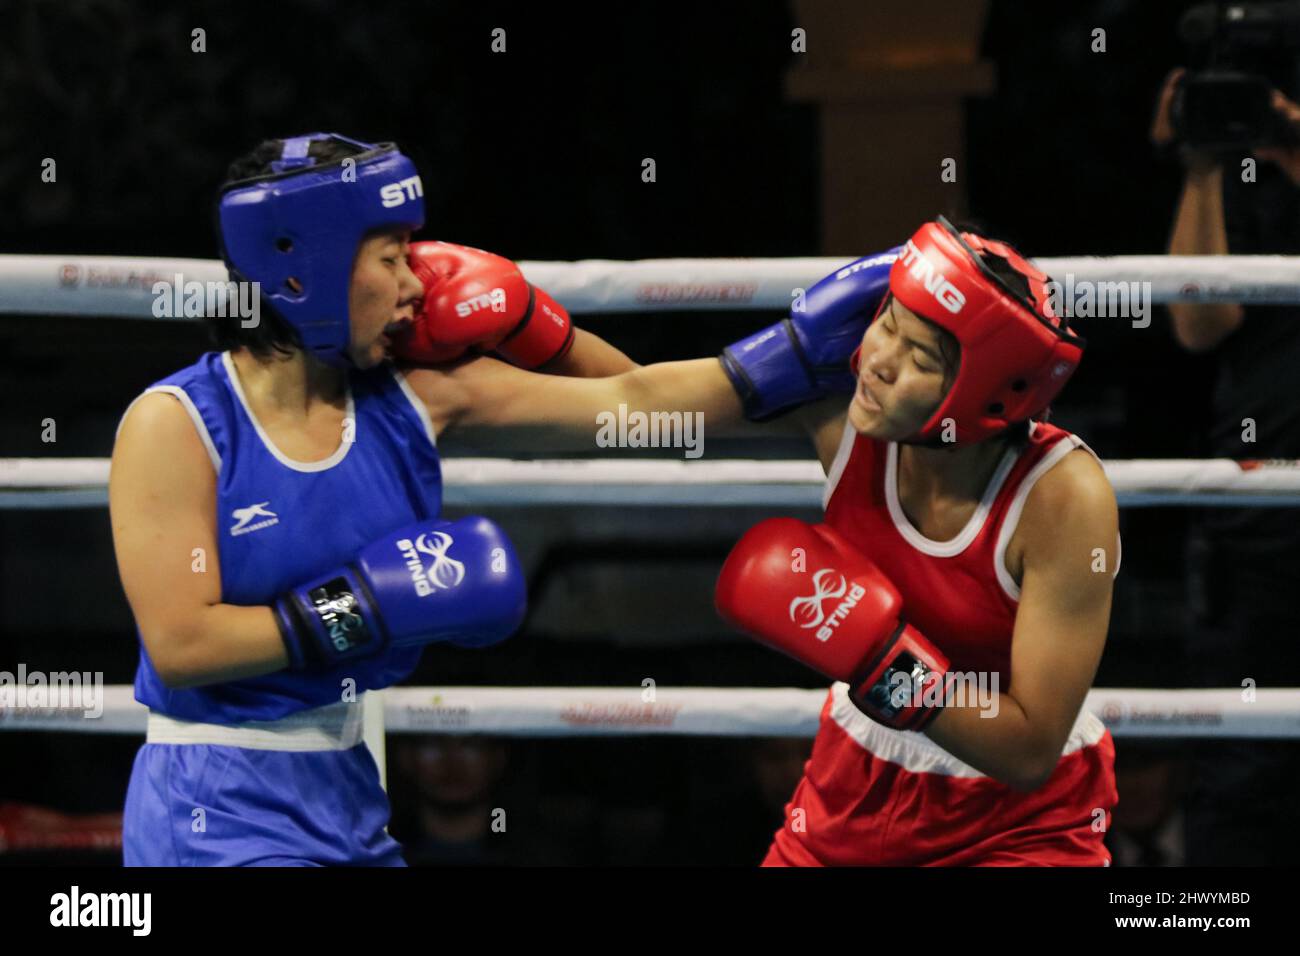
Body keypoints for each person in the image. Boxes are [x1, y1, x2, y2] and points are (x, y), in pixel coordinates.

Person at [111, 132, 887, 866]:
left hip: (346, 786)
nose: (417, 282)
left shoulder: (417, 396)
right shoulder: (178, 425)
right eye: (391, 258)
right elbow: (183, 646)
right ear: (301, 265)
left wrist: (784, 351)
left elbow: (640, 405)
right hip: (213, 799)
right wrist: (366, 606)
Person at [715, 218, 1122, 865]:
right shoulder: (851, 416)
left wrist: (879, 661)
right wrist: (531, 332)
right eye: (887, 323)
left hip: (1017, 826)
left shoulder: (1061, 495)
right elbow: (626, 398)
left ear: (981, 391)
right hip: (853, 785)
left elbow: (1028, 750)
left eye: (920, 354)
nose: (875, 359)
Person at [1151, 69, 1300, 865]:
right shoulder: (1246, 186)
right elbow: (1197, 321)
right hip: (1262, 527)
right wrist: (1204, 164)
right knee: (1245, 771)